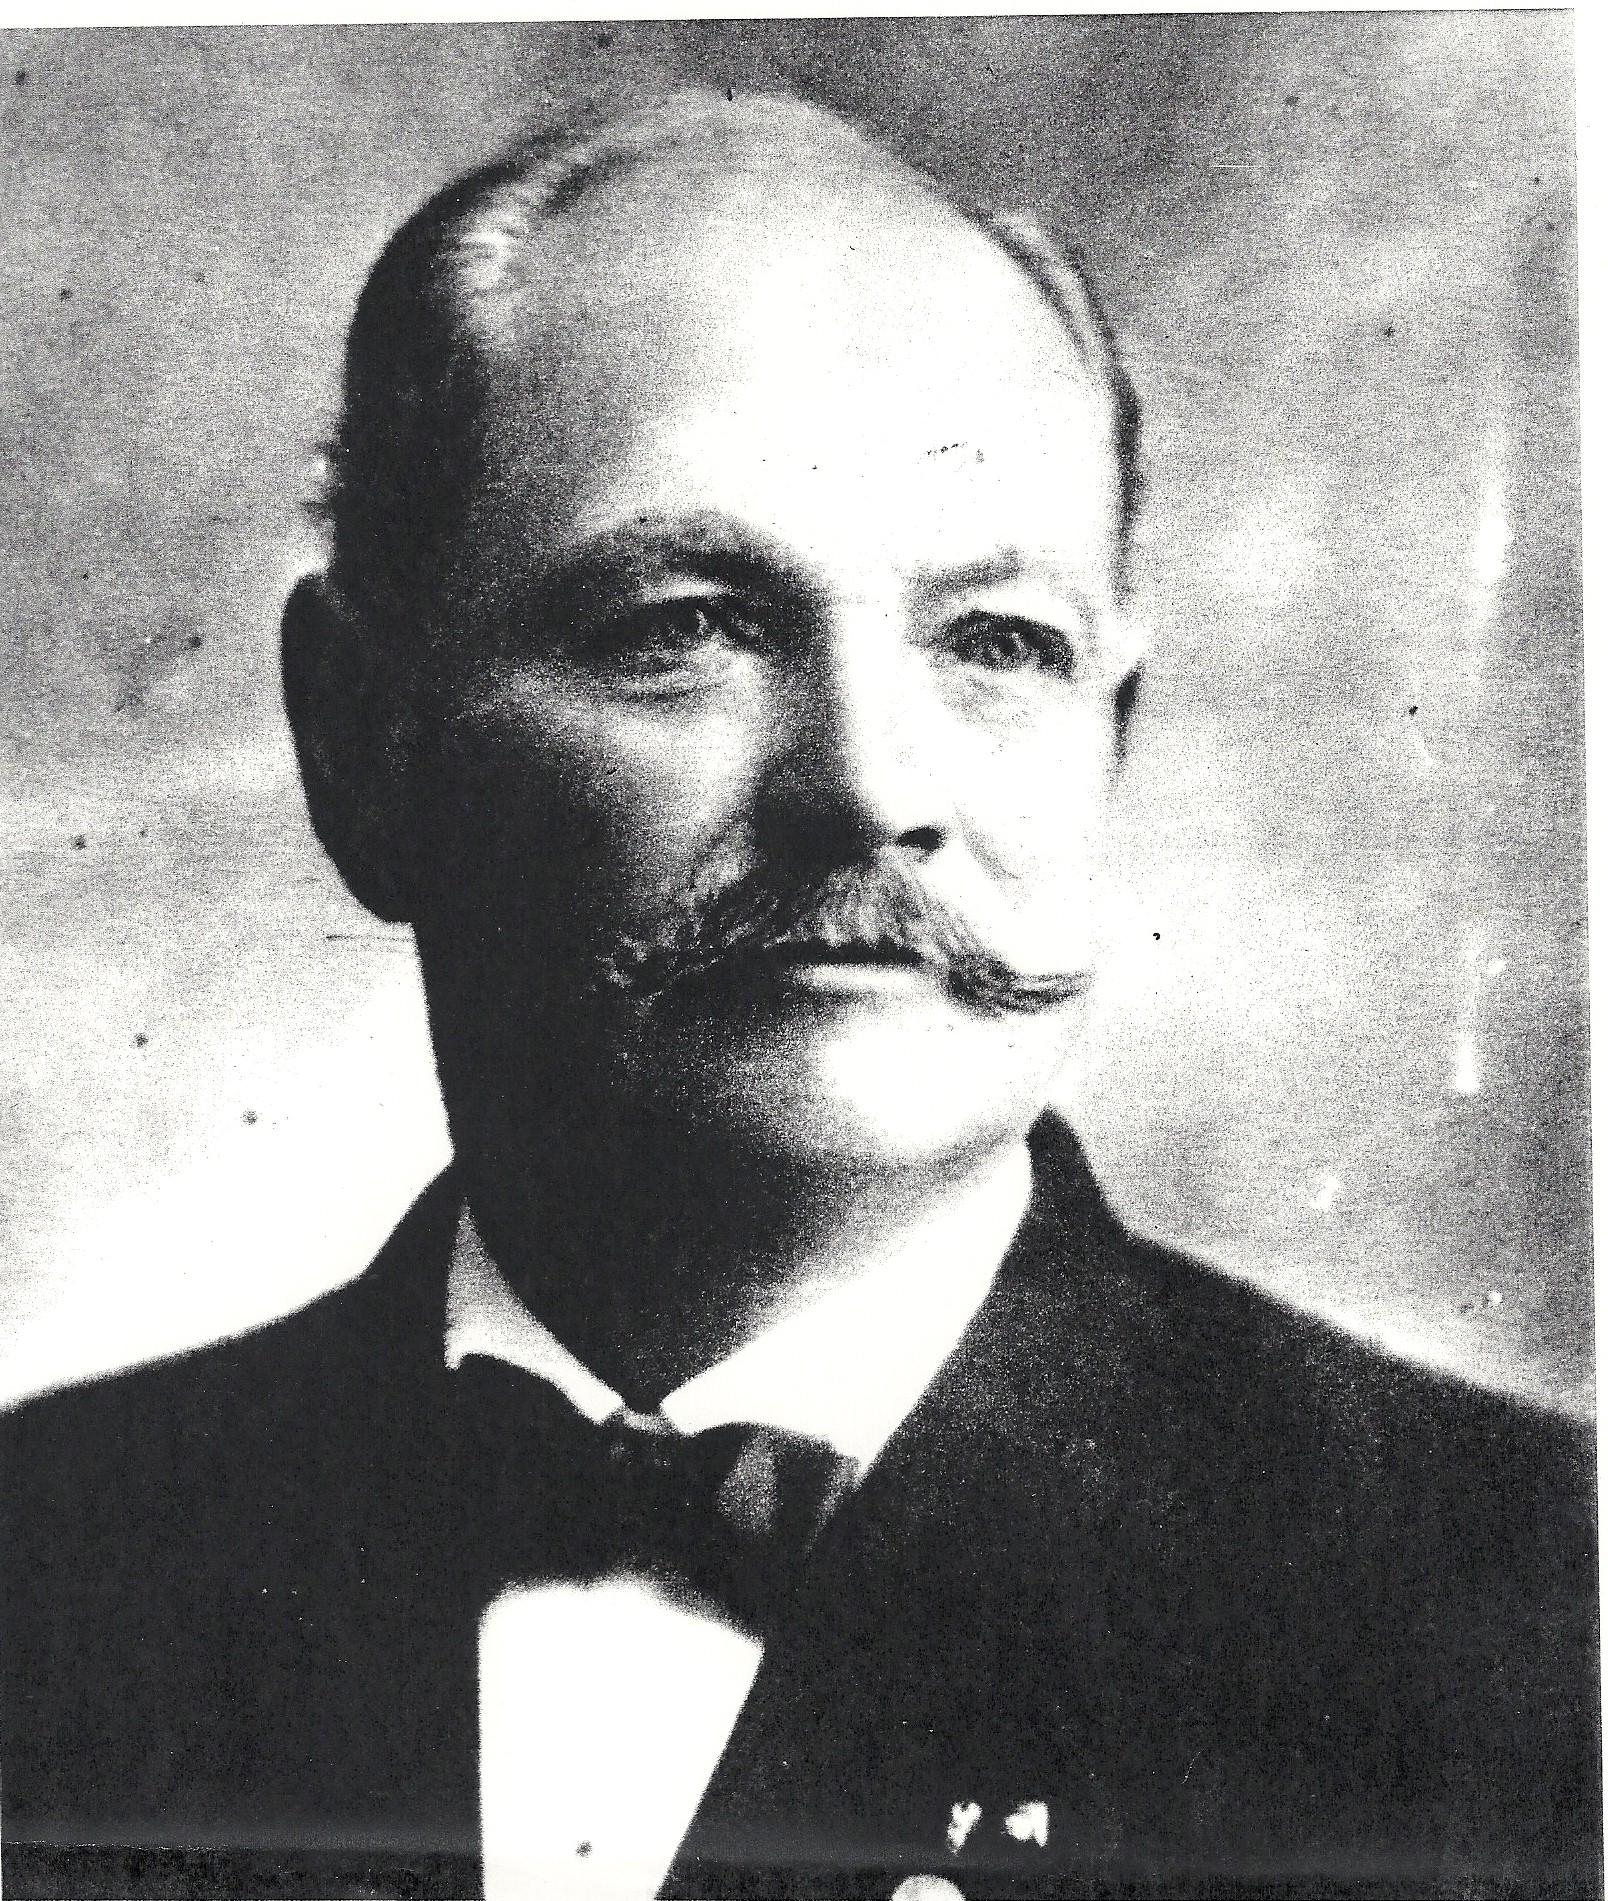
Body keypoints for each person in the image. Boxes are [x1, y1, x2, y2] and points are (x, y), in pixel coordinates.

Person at [2, 89, 1597, 1901]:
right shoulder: (53, 1565)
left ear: (1112, 736)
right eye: (686, 625)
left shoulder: (1532, 1616)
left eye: (997, 642)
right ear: (365, 741)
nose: (868, 785)